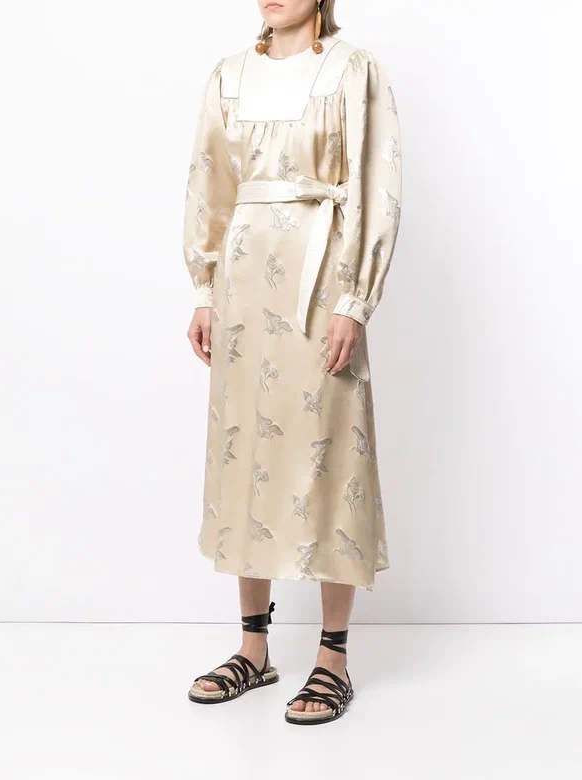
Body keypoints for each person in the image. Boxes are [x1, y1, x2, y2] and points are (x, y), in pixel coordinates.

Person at [183, 0, 401, 725]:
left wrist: (354, 300)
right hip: (244, 285)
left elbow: (375, 188)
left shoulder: (352, 71)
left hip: (321, 282)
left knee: (329, 453)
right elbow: (210, 185)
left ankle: (332, 658)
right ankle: (254, 650)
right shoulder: (228, 75)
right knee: (246, 451)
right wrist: (204, 289)